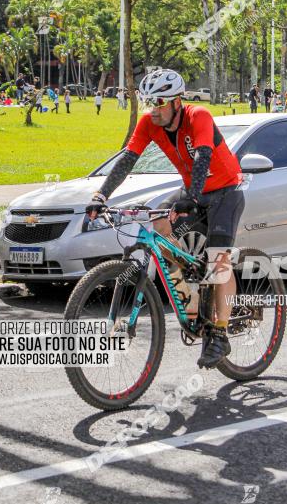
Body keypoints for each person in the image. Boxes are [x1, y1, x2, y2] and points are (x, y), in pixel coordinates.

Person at [87, 68, 245, 369]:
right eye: (149, 102)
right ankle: (190, 298)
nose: (153, 109)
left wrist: (193, 198)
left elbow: (202, 157)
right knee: (159, 225)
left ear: (176, 102)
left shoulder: (198, 116)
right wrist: (101, 195)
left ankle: (220, 332)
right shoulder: (149, 122)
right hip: (192, 190)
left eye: (159, 102)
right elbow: (127, 159)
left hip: (225, 191)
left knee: (218, 260)